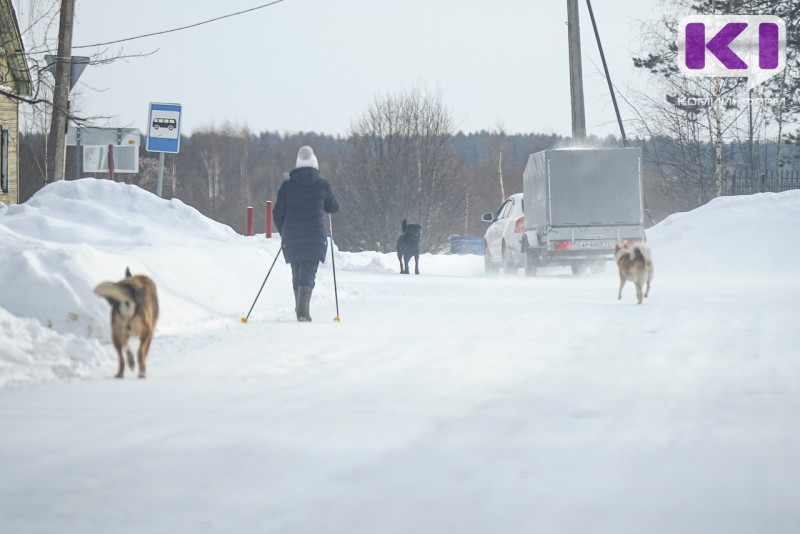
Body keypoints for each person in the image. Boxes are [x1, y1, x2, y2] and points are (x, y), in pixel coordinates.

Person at [273, 145, 340, 322]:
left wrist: (284, 231)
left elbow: (277, 213)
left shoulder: (287, 186)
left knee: (296, 271)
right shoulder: (322, 185)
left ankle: (300, 308)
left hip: (292, 236)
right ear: (315, 164)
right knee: (308, 272)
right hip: (315, 237)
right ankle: (302, 311)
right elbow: (334, 207)